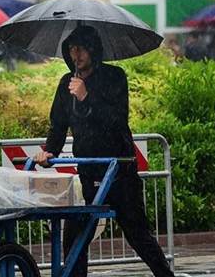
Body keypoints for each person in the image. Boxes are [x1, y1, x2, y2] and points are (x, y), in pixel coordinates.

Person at [34, 25, 174, 277]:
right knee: (76, 232)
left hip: (120, 170)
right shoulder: (67, 83)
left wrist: (87, 97)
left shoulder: (114, 77)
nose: (76, 55)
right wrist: (49, 151)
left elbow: (117, 119)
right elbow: (58, 125)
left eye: (81, 49)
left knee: (137, 233)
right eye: (72, 49)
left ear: (93, 50)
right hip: (89, 170)